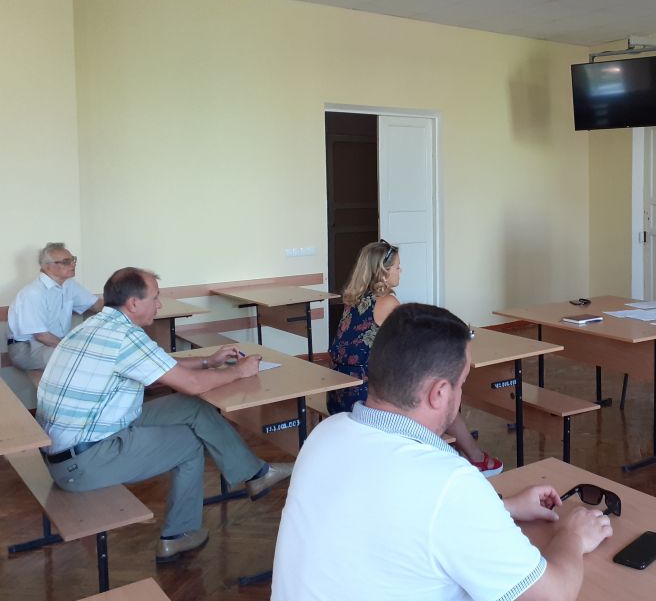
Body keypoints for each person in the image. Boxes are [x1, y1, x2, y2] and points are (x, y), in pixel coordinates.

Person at [273, 303, 613, 601]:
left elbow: (388, 512)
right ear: (438, 393)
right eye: (462, 383)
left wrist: (503, 507)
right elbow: (551, 595)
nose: (461, 393)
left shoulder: (325, 434)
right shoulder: (449, 483)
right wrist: (572, 536)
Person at [35, 267, 294, 563]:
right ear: (134, 303)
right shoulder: (125, 336)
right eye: (155, 298)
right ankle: (177, 535)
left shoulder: (95, 326)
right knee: (191, 443)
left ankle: (256, 475)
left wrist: (209, 362)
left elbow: (158, 366)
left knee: (192, 407)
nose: (159, 305)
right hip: (82, 462)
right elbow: (193, 384)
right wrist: (240, 371)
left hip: (82, 439)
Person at [328, 239, 504, 476]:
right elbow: (416, 340)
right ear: (383, 272)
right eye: (397, 266)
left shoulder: (353, 301)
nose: (401, 271)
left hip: (339, 393)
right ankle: (474, 458)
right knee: (439, 392)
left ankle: (465, 454)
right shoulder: (387, 302)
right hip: (363, 396)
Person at [7, 242, 103, 371]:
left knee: (99, 351)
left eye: (73, 260)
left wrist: (121, 308)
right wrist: (70, 348)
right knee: (75, 359)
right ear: (47, 267)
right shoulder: (33, 292)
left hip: (55, 343)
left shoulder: (69, 285)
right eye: (66, 262)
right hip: (28, 347)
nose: (73, 264)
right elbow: (41, 336)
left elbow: (96, 305)